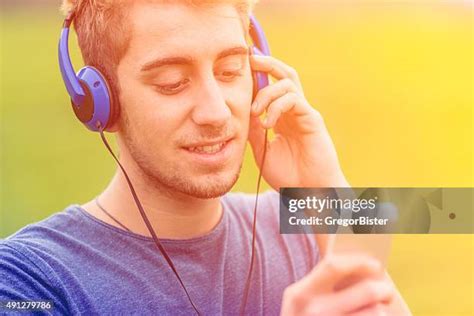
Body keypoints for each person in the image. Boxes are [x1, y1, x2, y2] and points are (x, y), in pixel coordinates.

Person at [0, 1, 411, 315]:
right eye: (172, 82)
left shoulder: (300, 221)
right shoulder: (27, 281)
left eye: (231, 71)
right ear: (98, 100)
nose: (215, 111)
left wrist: (326, 182)